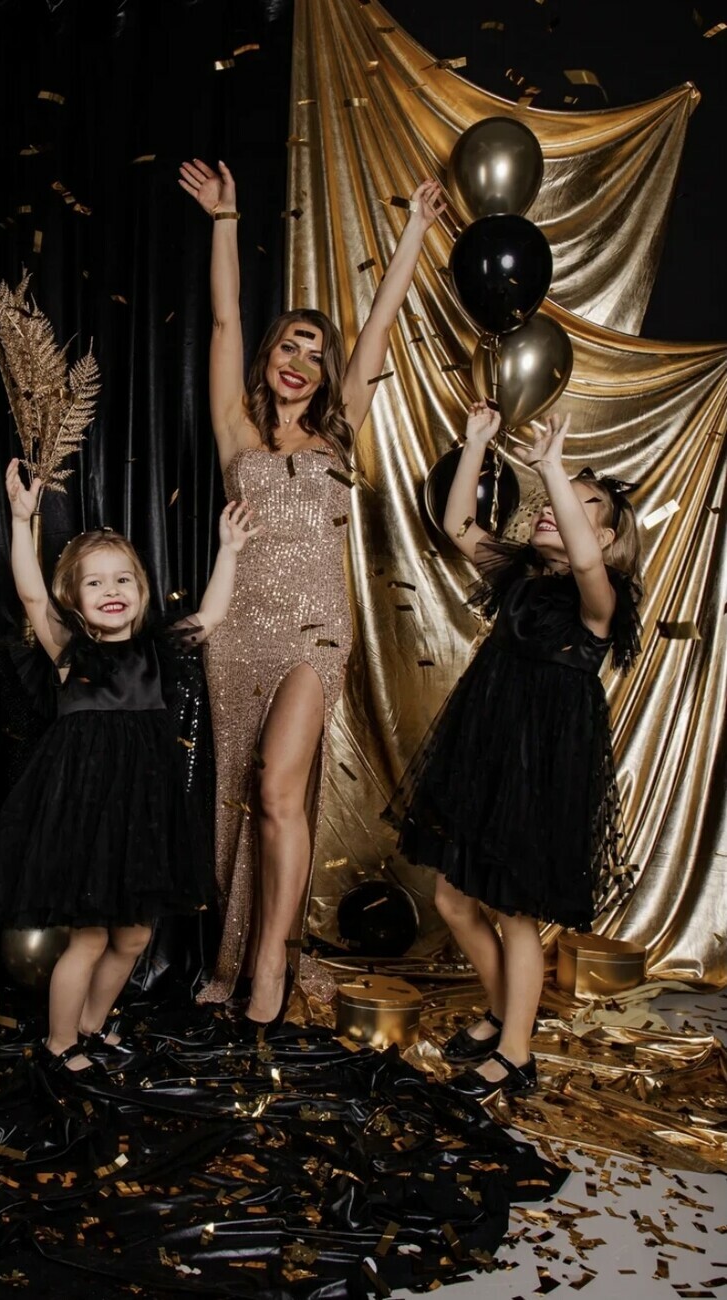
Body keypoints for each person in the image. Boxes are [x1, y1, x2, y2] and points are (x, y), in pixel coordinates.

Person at [178, 156, 445, 1025]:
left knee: (278, 789)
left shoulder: (339, 433)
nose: (302, 361)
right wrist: (226, 219)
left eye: (317, 354)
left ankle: (268, 970)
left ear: (330, 377)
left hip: (316, 632)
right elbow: (224, 318)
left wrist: (414, 231)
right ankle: (240, 952)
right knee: (242, 797)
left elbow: (382, 323)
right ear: (271, 354)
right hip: (237, 631)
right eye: (291, 344)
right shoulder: (236, 428)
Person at [384, 402, 642, 1097]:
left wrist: (554, 468)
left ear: (606, 536)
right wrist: (474, 444)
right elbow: (457, 524)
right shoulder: (519, 573)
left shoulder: (601, 597)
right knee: (453, 897)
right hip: (486, 749)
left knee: (514, 910)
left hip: (543, 765)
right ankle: (504, 1013)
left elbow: (583, 560)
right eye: (554, 499)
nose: (556, 508)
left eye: (582, 505)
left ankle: (517, 1054)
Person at [0, 458, 260, 1079]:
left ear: (140, 591)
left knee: (134, 937)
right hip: (85, 813)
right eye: (94, 583)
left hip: (143, 815)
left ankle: (90, 1024)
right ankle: (60, 1043)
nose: (111, 590)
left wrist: (229, 551)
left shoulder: (157, 652)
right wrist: (22, 521)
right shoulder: (68, 652)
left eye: (123, 580)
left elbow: (211, 616)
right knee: (88, 938)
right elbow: (30, 593)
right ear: (74, 600)